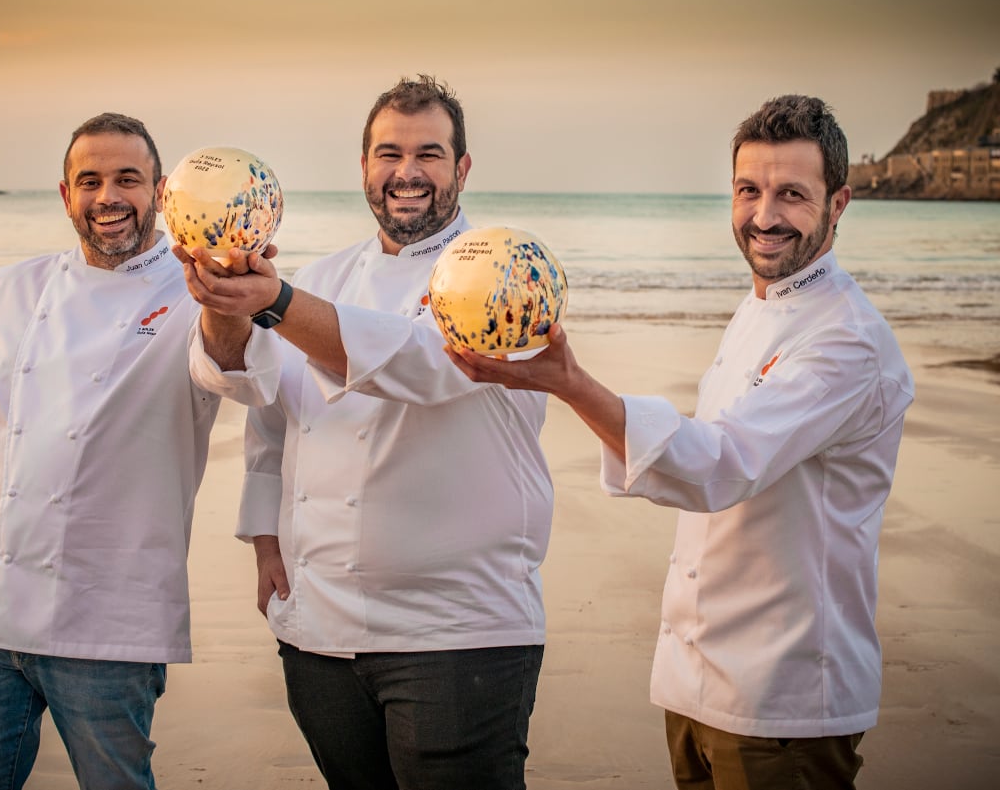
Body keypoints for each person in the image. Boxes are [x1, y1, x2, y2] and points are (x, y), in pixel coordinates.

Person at [448, 94, 915, 789]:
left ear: (839, 202)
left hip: (784, 698)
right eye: (748, 190)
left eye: (792, 194)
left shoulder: (846, 340)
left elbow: (721, 464)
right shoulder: (762, 303)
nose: (764, 216)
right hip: (698, 682)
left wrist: (569, 382)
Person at [175, 76, 552, 790]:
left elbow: (424, 365)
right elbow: (259, 404)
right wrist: (225, 297)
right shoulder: (325, 276)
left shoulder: (503, 272)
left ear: (462, 169)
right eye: (389, 153)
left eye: (429, 154)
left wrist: (275, 300)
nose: (406, 173)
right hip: (320, 630)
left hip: (457, 630)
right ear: (363, 167)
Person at [0, 112, 222, 790]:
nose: (108, 196)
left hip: (109, 621)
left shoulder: (198, 291)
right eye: (91, 180)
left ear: (161, 191)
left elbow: (237, 370)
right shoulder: (16, 286)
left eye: (127, 178)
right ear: (65, 194)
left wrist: (233, 298)